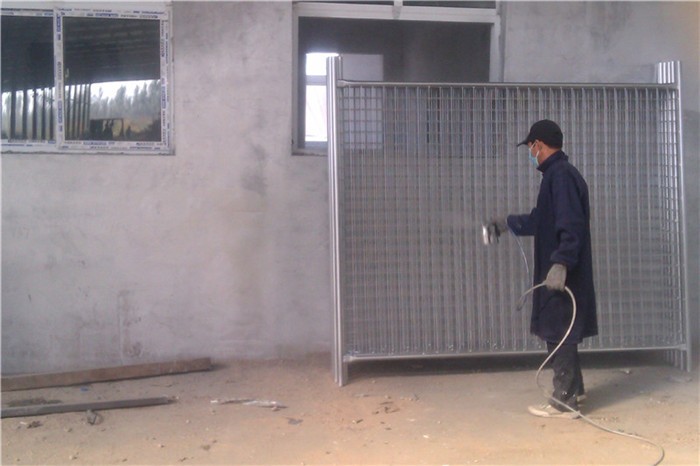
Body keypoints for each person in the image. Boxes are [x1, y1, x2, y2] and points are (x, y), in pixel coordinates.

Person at [489, 119, 598, 419]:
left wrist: (561, 263)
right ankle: (575, 389)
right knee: (562, 331)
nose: (530, 152)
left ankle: (564, 403)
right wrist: (507, 223)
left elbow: (570, 225)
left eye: (530, 147)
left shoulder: (560, 177)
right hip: (561, 270)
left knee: (559, 331)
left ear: (538, 144)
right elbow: (542, 221)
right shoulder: (557, 175)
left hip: (563, 273)